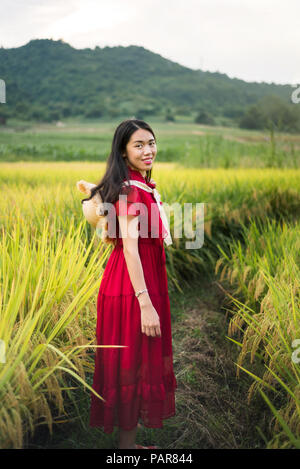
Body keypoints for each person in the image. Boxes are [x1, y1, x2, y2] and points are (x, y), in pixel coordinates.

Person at [88, 119, 177, 449]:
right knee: (130, 363)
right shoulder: (129, 190)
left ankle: (128, 446)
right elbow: (130, 247)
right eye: (138, 145)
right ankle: (125, 450)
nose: (148, 150)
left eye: (151, 143)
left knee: (136, 361)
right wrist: (145, 303)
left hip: (141, 280)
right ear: (124, 152)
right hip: (131, 285)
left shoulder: (140, 185)